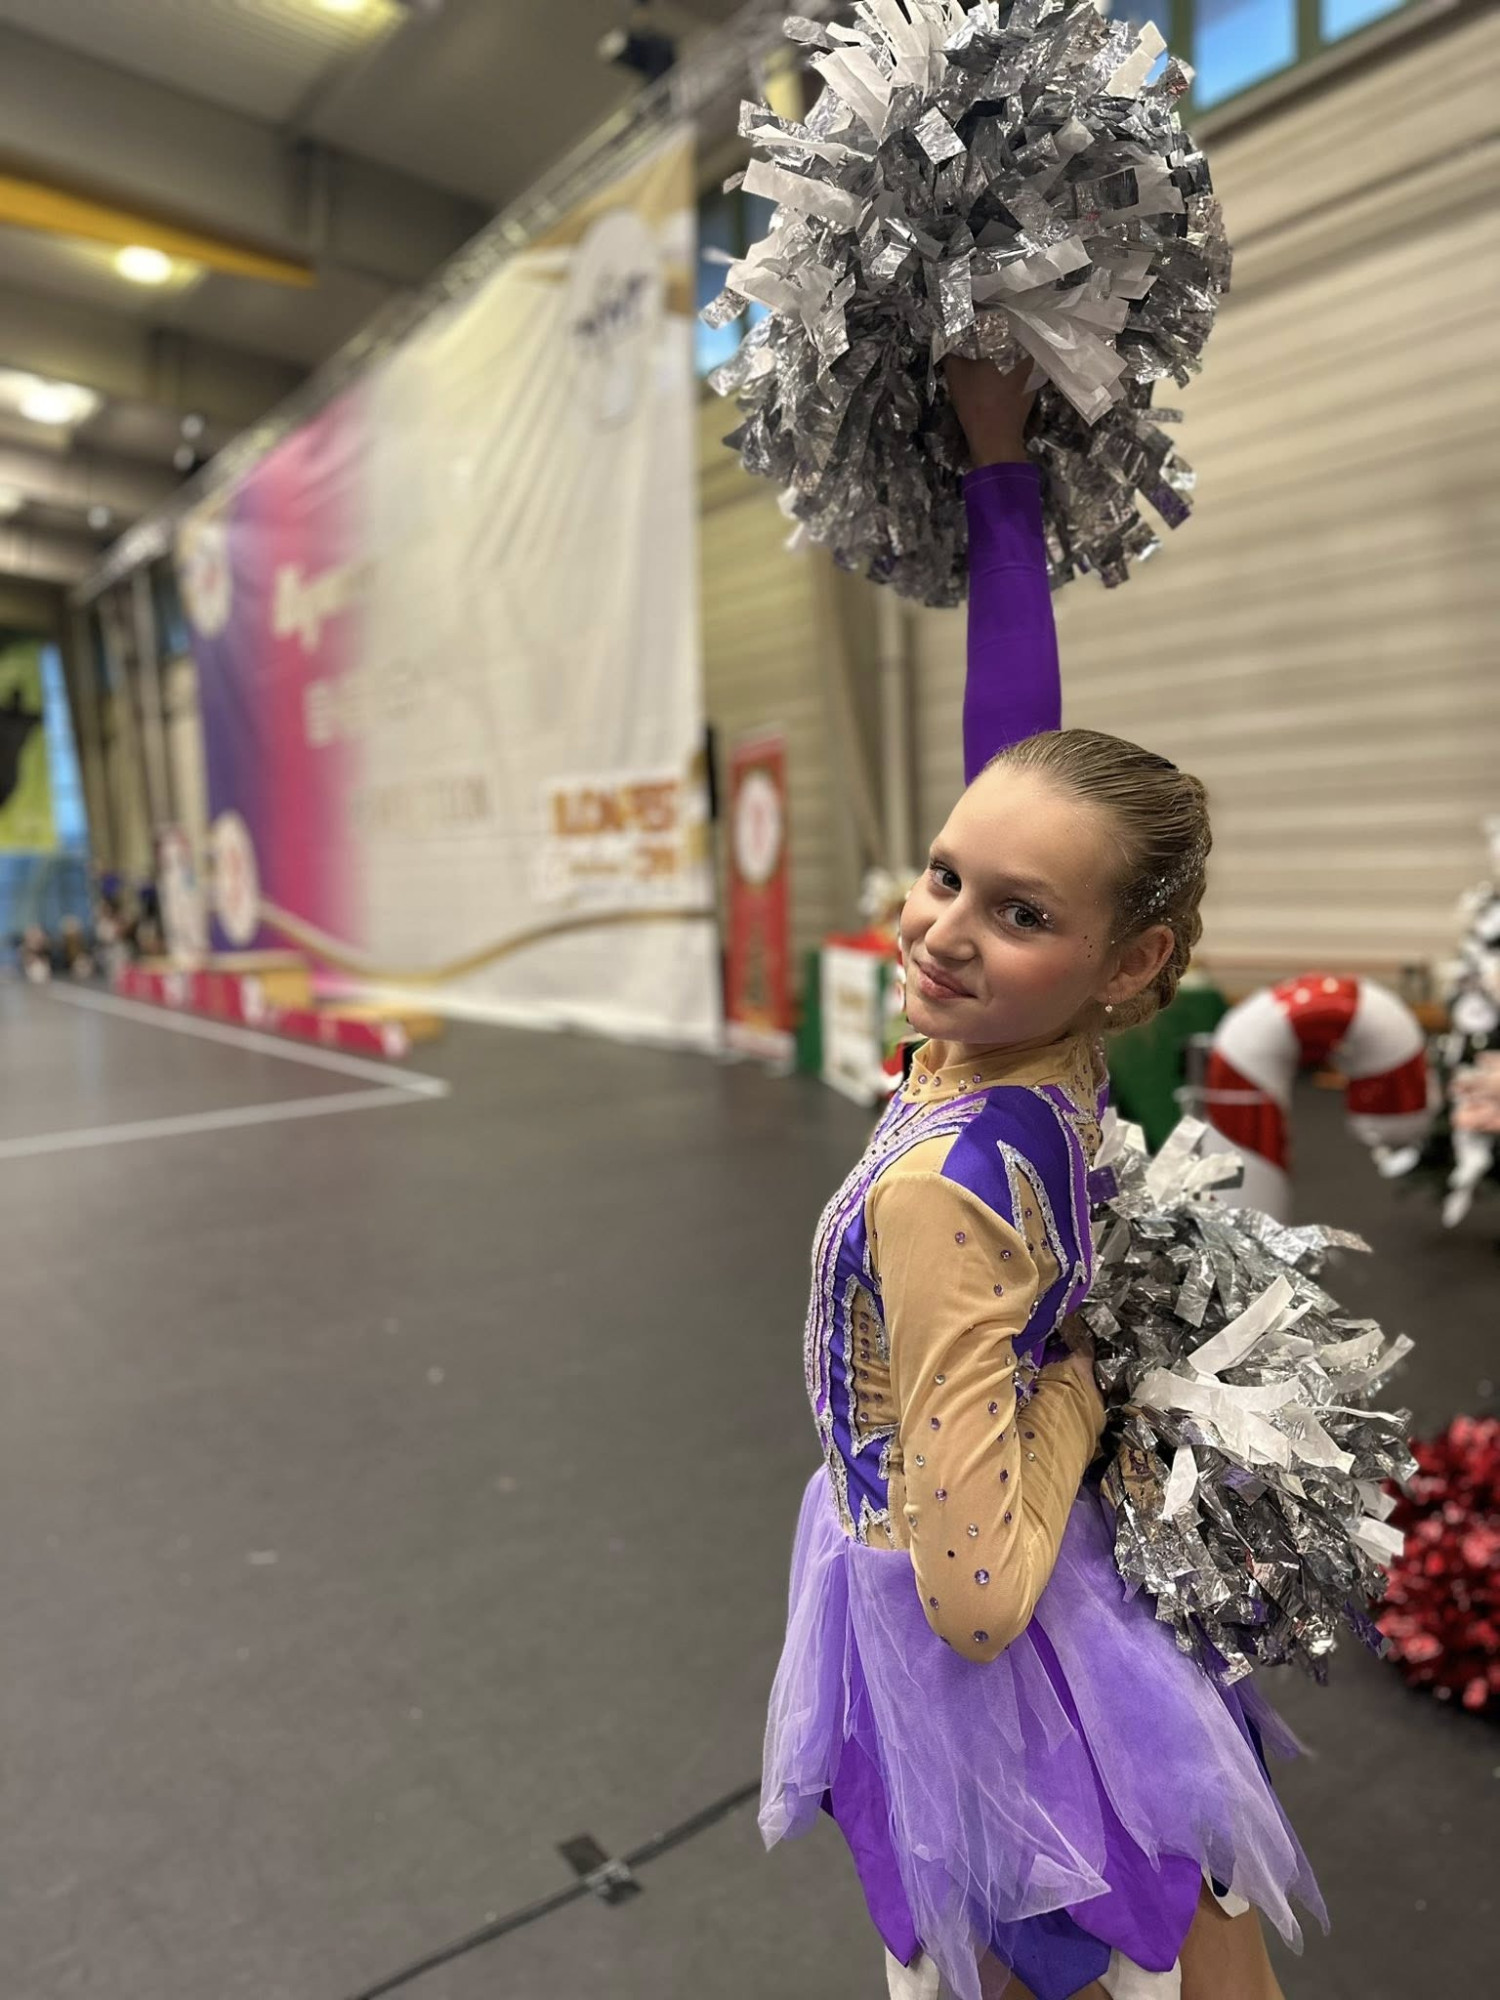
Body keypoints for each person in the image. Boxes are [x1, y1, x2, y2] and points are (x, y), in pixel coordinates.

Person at [760, 360, 1319, 2000]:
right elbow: (1025, 772)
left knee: (1080, 1954)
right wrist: (996, 470)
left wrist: (1070, 1384)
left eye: (1016, 915)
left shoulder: (950, 1177)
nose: (942, 930)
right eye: (944, 876)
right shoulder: (1045, 1057)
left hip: (990, 1653)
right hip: (1049, 1592)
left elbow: (979, 1597)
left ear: (1126, 964)